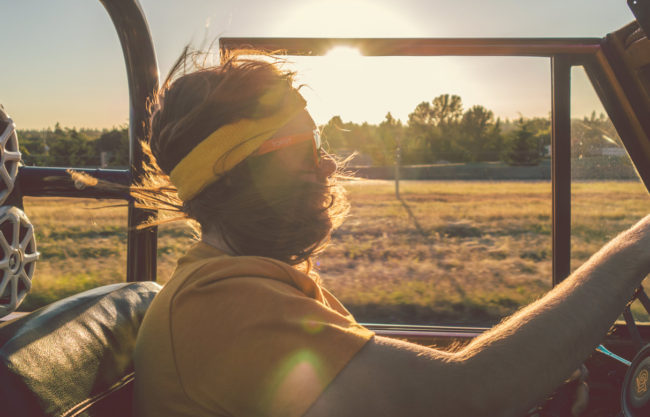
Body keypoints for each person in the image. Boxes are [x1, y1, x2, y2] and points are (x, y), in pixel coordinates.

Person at [131, 51, 650, 417]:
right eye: (305, 148)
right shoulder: (219, 304)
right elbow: (469, 394)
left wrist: (535, 381)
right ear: (247, 172)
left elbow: (416, 393)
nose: (328, 162)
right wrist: (639, 242)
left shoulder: (256, 284)